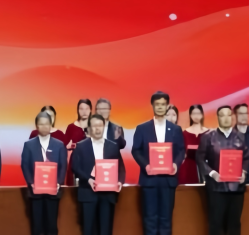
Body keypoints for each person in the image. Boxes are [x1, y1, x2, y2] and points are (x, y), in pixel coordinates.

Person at [131, 92, 186, 235]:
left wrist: (176, 164)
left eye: (163, 104)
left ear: (167, 106)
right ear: (152, 106)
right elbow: (136, 150)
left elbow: (181, 150)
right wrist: (146, 165)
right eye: (157, 104)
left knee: (166, 219)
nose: (160, 107)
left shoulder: (176, 129)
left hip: (168, 181)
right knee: (150, 218)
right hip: (149, 180)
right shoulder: (142, 128)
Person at [197, 106, 249, 235]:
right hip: (216, 188)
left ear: (232, 117)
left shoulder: (241, 137)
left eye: (228, 115)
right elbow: (200, 159)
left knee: (234, 224)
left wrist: (243, 173)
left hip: (236, 188)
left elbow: (247, 158)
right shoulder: (208, 137)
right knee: (216, 223)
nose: (226, 118)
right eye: (222, 115)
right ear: (218, 118)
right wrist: (212, 173)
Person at [71, 114, 125, 235]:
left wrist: (120, 181)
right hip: (88, 193)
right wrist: (88, 179)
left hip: (107, 195)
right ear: (89, 128)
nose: (97, 128)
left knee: (106, 230)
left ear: (104, 127)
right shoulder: (81, 146)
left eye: (100, 125)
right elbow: (75, 167)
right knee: (88, 230)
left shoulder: (113, 146)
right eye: (94, 126)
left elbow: (121, 168)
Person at [21, 111, 67, 235]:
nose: (44, 126)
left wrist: (59, 182)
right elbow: (25, 165)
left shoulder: (59, 145)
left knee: (52, 226)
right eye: (41, 124)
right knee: (37, 226)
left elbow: (63, 165)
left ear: (51, 125)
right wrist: (31, 183)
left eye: (47, 124)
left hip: (53, 192)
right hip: (35, 192)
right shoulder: (29, 145)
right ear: (37, 126)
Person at [63, 99, 93, 185]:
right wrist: (67, 147)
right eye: (81, 109)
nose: (84, 111)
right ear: (78, 110)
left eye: (86, 108)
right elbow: (64, 146)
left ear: (90, 110)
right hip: (75, 161)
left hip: (91, 161)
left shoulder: (94, 127)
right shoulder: (71, 127)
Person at [178, 105, 208, 185]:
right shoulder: (184, 133)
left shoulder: (209, 133)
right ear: (190, 116)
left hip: (204, 167)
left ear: (202, 115)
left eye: (198, 113)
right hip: (188, 166)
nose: (196, 116)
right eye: (194, 114)